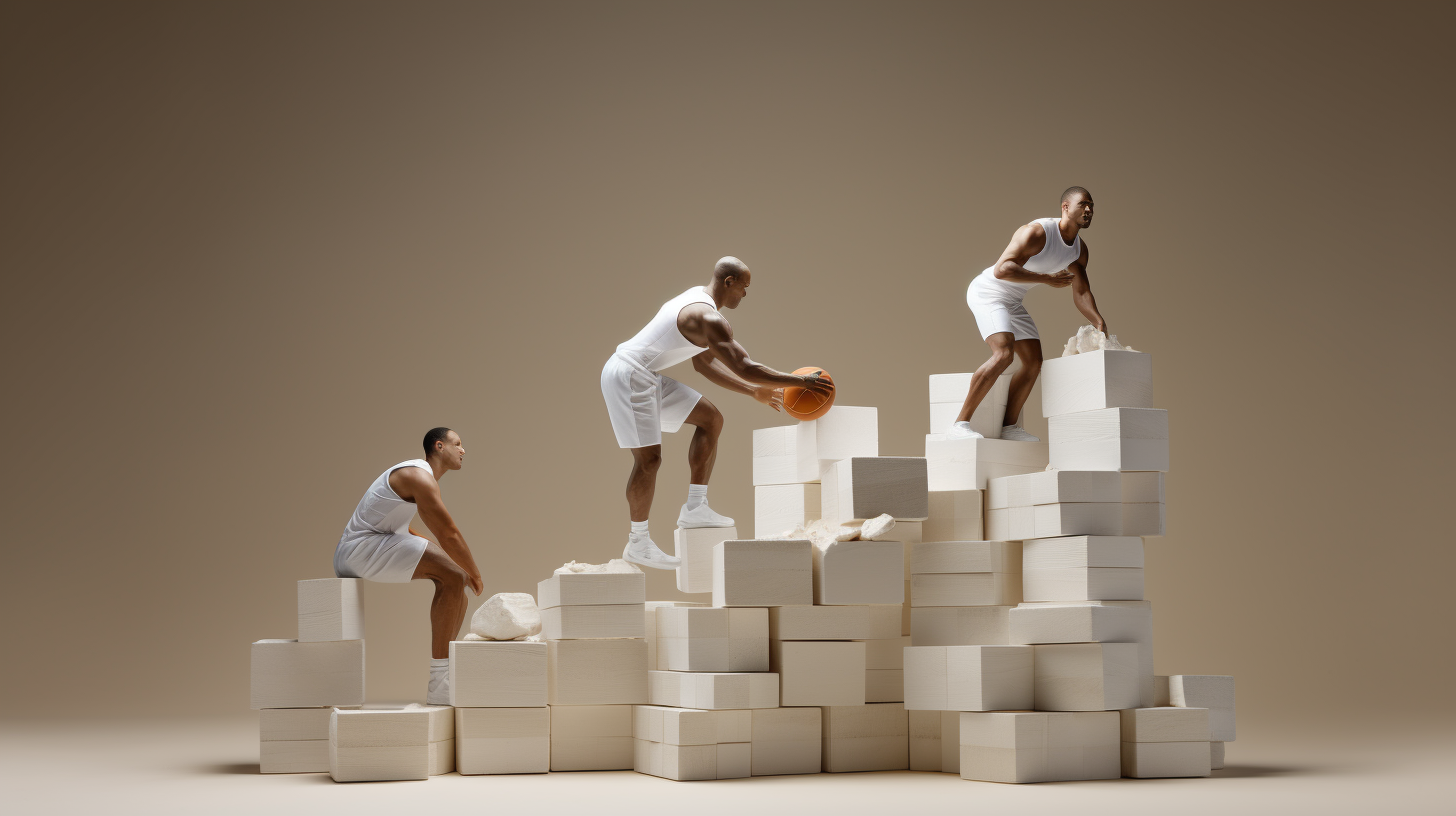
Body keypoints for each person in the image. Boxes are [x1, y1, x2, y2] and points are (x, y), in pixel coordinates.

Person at [601, 256, 834, 569]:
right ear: (729, 282)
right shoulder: (708, 317)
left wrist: (753, 392)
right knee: (649, 460)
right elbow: (746, 366)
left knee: (711, 419)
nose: (745, 294)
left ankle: (695, 507)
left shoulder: (699, 302)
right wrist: (801, 380)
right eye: (744, 287)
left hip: (646, 375)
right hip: (629, 374)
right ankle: (638, 541)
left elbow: (704, 363)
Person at [334, 427, 482, 705]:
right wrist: (475, 573)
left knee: (454, 576)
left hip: (373, 543)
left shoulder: (419, 476)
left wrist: (459, 569)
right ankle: (440, 682)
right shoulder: (419, 477)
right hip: (360, 549)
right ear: (439, 446)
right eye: (458, 444)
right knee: (454, 575)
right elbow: (447, 532)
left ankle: (445, 672)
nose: (463, 451)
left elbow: (406, 527)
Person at [951, 186, 1109, 441]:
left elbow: (1081, 292)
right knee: (1004, 353)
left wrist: (1098, 321)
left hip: (1012, 301)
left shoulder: (1079, 250)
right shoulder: (1037, 232)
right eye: (1083, 204)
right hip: (988, 293)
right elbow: (1002, 269)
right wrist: (1046, 279)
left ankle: (1008, 427)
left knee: (1033, 364)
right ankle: (959, 424)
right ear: (1065, 208)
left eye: (1092, 206)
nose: (1089, 210)